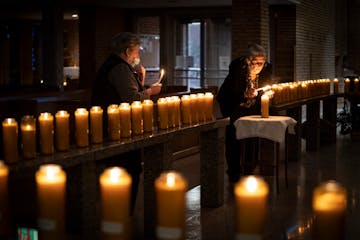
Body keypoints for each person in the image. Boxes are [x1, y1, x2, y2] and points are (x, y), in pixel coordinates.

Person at [91, 32, 162, 214]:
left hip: (118, 126)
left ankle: (120, 212)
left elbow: (132, 92)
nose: (138, 55)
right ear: (127, 50)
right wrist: (151, 92)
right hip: (117, 128)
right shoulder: (120, 68)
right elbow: (131, 98)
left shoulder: (119, 66)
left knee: (127, 169)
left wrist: (141, 79)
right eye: (137, 51)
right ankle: (121, 213)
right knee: (127, 170)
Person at [216, 43, 273, 183]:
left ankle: (249, 169)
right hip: (232, 106)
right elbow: (232, 92)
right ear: (248, 60)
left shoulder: (266, 68)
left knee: (252, 138)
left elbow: (266, 87)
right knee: (234, 139)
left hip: (252, 109)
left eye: (262, 62)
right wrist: (245, 95)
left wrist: (267, 95)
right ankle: (233, 173)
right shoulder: (237, 68)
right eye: (256, 62)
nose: (260, 65)